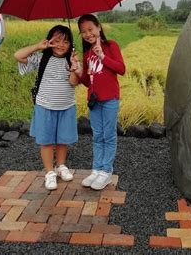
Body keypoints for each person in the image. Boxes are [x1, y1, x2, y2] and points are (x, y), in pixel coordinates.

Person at [14, 25, 79, 191]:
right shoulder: (41, 58)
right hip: (45, 106)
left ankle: (61, 166)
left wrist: (74, 67)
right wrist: (38, 46)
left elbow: (73, 82)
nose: (60, 45)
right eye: (56, 41)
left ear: (71, 44)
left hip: (66, 106)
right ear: (49, 41)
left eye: (65, 41)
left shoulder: (71, 60)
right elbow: (18, 55)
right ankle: (49, 172)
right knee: (46, 141)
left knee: (63, 140)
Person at [70, 14, 125, 190]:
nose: (87, 34)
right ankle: (96, 169)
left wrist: (102, 56)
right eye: (83, 32)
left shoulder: (111, 46)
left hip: (110, 99)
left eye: (90, 29)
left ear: (98, 27)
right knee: (97, 135)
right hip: (94, 101)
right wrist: (78, 69)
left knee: (108, 136)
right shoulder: (86, 54)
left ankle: (106, 172)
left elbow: (121, 69)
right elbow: (87, 81)